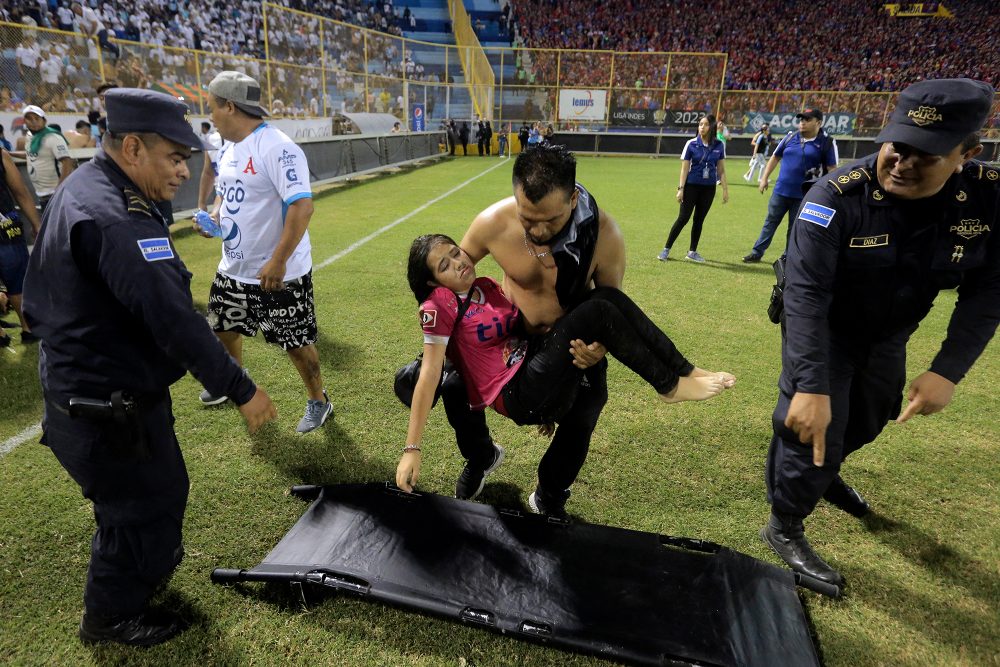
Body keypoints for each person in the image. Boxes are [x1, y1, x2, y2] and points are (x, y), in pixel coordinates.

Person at [21, 88, 277, 646]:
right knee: (143, 506)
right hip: (103, 406)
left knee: (143, 497)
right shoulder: (116, 217)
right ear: (132, 147)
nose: (184, 172)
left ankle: (140, 572)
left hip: (93, 389)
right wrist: (240, 388)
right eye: (174, 158)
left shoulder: (90, 187)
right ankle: (110, 618)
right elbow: (173, 319)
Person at [760, 78, 999, 588]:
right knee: (815, 425)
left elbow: (988, 293)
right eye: (897, 145)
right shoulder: (835, 196)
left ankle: (823, 475)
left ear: (967, 153)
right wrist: (809, 384)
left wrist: (947, 371)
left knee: (869, 418)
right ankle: (783, 523)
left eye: (926, 154)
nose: (902, 163)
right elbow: (805, 295)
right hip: (827, 330)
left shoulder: (987, 198)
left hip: (890, 333)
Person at [396, 234, 734, 500]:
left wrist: (554, 388)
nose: (458, 262)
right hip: (513, 393)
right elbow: (431, 375)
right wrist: (412, 449)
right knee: (596, 312)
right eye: (444, 265)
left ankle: (685, 371)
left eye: (456, 252)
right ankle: (669, 386)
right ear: (433, 283)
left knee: (606, 298)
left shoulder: (486, 287)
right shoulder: (438, 304)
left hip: (535, 379)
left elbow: (524, 338)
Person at [196, 71, 333, 434]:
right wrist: (215, 216)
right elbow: (228, 193)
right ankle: (235, 383)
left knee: (296, 343)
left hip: (277, 272)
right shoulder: (226, 147)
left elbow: (301, 207)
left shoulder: (278, 147)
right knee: (224, 327)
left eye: (211, 107)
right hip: (233, 267)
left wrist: (278, 260)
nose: (209, 115)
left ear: (229, 105)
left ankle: (319, 400)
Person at [742, 109, 838, 263]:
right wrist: (764, 178)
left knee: (794, 229)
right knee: (770, 222)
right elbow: (775, 157)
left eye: (807, 119)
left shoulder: (826, 142)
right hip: (781, 191)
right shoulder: (790, 137)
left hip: (805, 195)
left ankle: (788, 258)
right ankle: (757, 252)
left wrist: (827, 193)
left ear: (818, 123)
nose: (802, 122)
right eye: (801, 119)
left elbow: (832, 169)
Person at [657, 114, 729, 263]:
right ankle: (666, 249)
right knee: (683, 218)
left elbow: (721, 169)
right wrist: (680, 188)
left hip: (708, 189)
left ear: (712, 127)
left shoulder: (719, 145)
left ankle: (692, 251)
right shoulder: (690, 144)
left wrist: (725, 190)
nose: (702, 127)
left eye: (705, 124)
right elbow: (684, 169)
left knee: (699, 220)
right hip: (691, 187)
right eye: (700, 124)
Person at [0, 147, 43, 343]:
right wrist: (36, 224)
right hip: (6, 225)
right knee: (17, 278)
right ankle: (28, 328)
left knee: (17, 276)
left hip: (6, 227)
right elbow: (21, 192)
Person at [17, 105, 76, 213]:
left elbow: (67, 162)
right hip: (42, 194)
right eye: (29, 119)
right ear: (24, 121)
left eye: (37, 118)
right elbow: (30, 154)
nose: (33, 122)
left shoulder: (53, 137)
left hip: (55, 193)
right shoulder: (30, 136)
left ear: (44, 120)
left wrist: (60, 188)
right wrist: (9, 153)